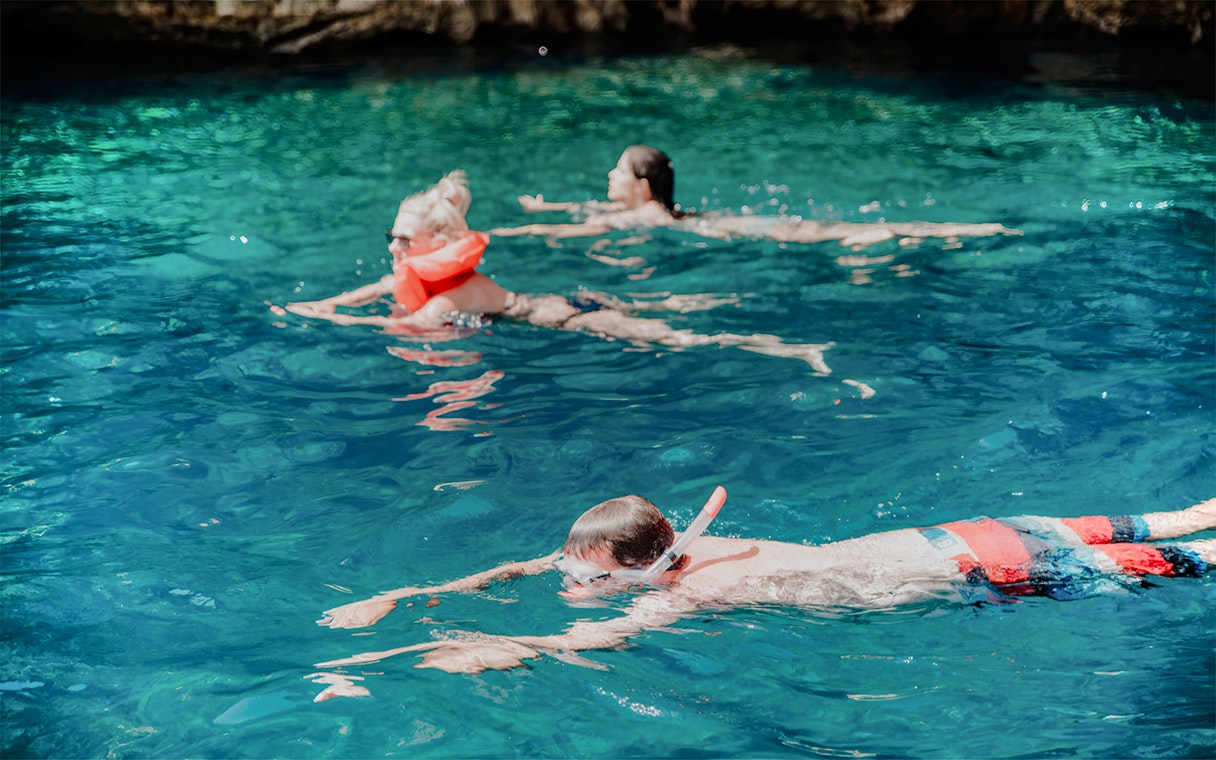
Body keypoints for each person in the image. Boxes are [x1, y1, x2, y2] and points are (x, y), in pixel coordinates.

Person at [311, 491, 1214, 682]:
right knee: (1183, 515)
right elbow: (526, 568)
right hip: (957, 529)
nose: (570, 580)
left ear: (636, 567)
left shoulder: (684, 596)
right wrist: (399, 594)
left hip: (984, 569)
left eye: (586, 574)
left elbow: (568, 647)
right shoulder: (672, 550)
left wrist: (472, 649)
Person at [275, 170, 838, 375]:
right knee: (671, 313)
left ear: (438, 244)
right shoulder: (419, 272)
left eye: (403, 238)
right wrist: (323, 306)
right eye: (390, 235)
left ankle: (789, 349)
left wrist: (334, 326)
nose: (392, 245)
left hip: (569, 319)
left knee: (685, 336)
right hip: (556, 301)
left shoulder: (456, 291)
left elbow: (405, 328)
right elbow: (377, 289)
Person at [489, 144, 1022, 250]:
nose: (608, 175)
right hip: (710, 220)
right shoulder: (635, 207)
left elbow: (582, 230)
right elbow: (584, 213)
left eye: (618, 170)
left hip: (725, 230)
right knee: (825, 230)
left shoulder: (644, 219)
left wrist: (506, 233)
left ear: (643, 188)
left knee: (828, 233)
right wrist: (546, 208)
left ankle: (968, 231)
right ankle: (962, 231)